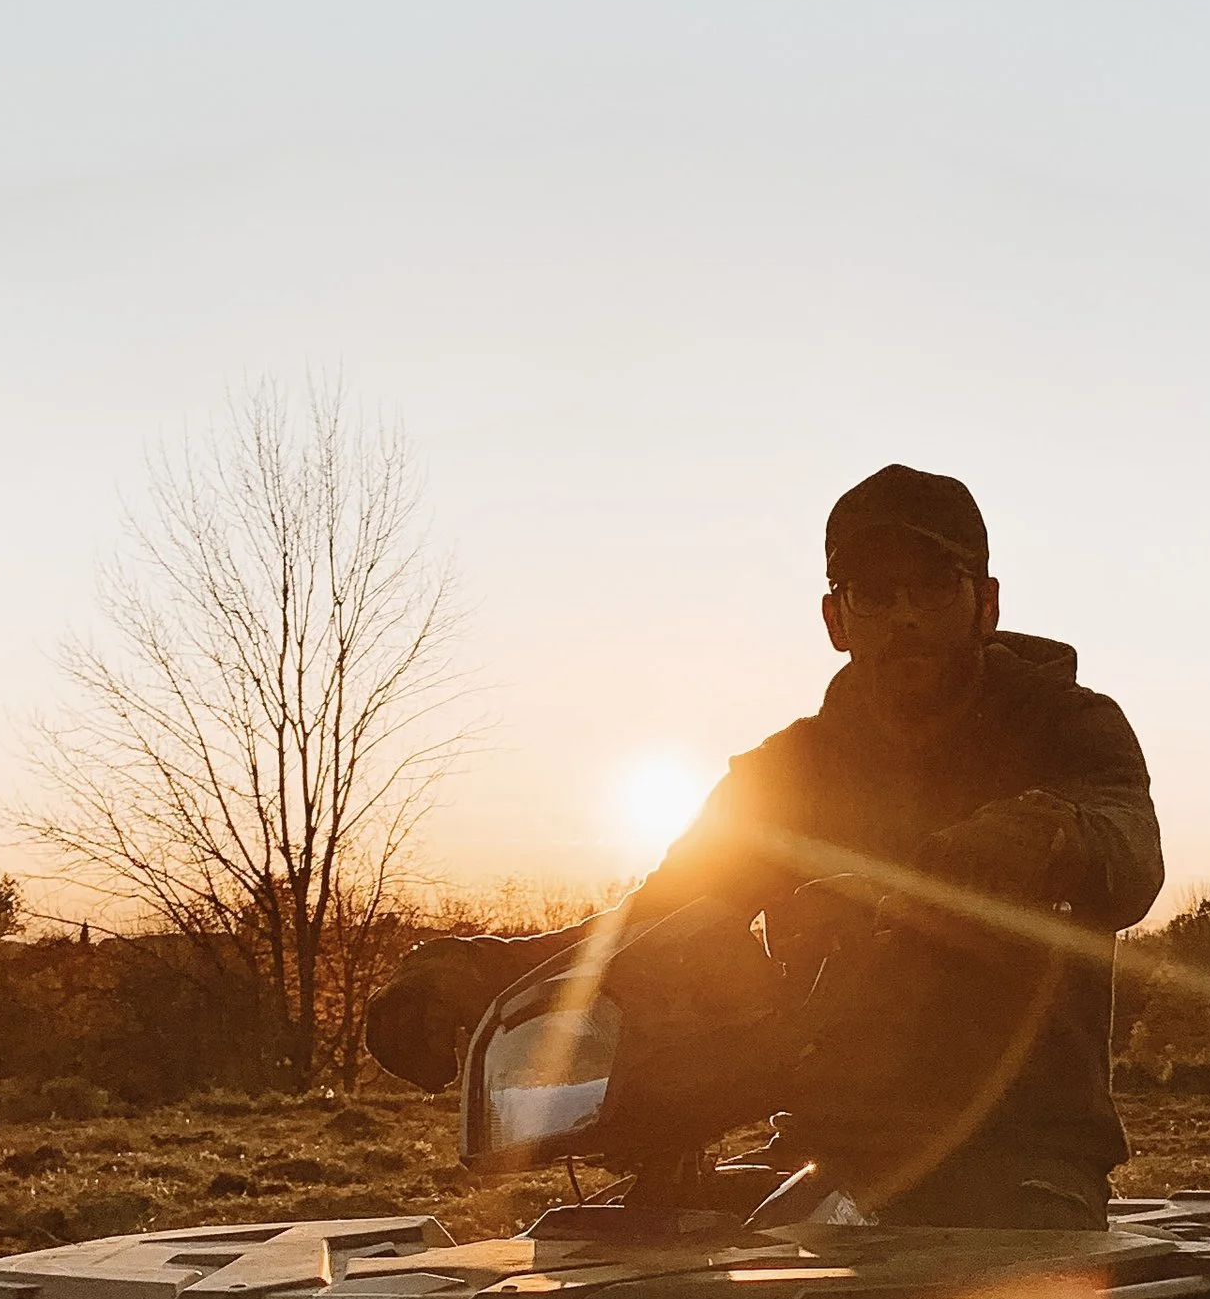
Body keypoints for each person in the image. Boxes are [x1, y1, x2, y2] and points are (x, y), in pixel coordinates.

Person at [365, 463, 1164, 1226]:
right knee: (631, 1257)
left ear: (985, 604)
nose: (907, 616)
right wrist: (489, 974)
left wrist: (1043, 834)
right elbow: (661, 915)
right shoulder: (788, 772)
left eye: (934, 585)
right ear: (835, 618)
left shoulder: (1068, 728)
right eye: (876, 593)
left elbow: (1129, 844)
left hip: (1023, 1158)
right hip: (824, 1151)